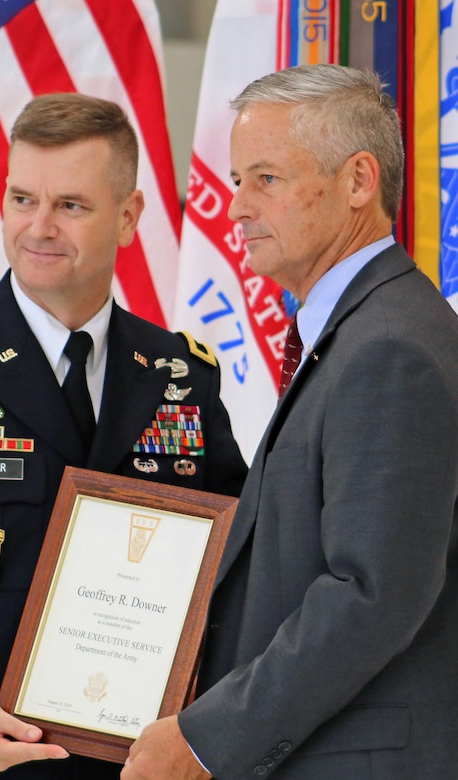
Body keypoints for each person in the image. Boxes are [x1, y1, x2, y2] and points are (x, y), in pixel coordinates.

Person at [0, 92, 247, 780]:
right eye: (22, 198)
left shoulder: (184, 378)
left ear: (128, 217)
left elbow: (234, 577)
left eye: (71, 206)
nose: (39, 227)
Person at [120, 64, 458, 780]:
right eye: (237, 179)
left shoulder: (390, 348)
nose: (235, 207)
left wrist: (211, 739)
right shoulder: (362, 329)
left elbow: (371, 595)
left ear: (358, 181)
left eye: (264, 179)